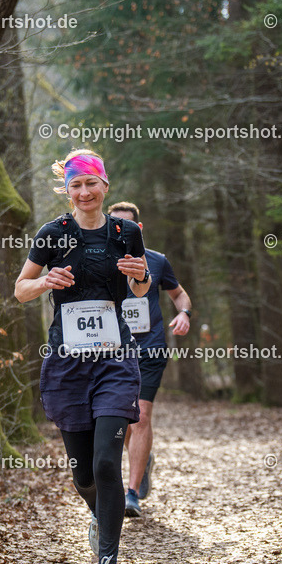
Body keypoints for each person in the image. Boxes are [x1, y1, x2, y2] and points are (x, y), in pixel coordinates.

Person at [15, 150, 150, 564]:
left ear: (105, 186)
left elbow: (142, 285)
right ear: (67, 191)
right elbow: (20, 290)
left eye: (92, 184)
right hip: (68, 363)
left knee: (107, 463)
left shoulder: (124, 232)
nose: (85, 192)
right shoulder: (53, 235)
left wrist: (142, 276)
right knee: (82, 472)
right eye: (76, 186)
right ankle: (99, 514)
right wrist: (45, 282)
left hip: (115, 359)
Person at [107, 202, 192, 518]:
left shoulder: (156, 261)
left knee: (141, 416)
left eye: (125, 225)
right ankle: (142, 459)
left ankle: (131, 494)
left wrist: (184, 313)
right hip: (112, 352)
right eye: (113, 225)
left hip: (149, 349)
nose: (119, 231)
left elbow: (179, 294)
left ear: (137, 229)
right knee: (120, 420)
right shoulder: (99, 261)